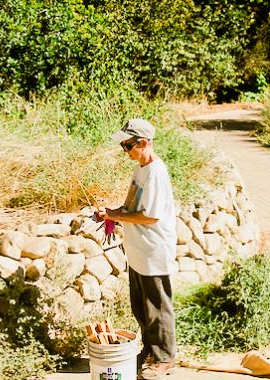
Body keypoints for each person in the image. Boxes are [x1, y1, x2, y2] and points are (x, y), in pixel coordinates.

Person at [95, 119, 178, 379]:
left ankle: (165, 357)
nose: (125, 150)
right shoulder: (140, 169)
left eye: (128, 145)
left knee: (158, 308)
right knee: (141, 308)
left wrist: (114, 214)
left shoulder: (155, 173)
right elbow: (132, 207)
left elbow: (150, 216)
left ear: (144, 143)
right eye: (123, 145)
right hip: (139, 251)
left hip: (154, 252)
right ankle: (150, 350)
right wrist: (112, 214)